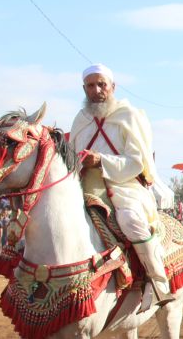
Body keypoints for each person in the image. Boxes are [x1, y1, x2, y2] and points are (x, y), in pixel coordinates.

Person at [70, 63, 175, 309]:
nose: (96, 90)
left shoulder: (128, 115)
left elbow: (137, 161)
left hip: (123, 184)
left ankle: (158, 282)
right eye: (90, 86)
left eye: (101, 84)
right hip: (83, 184)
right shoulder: (80, 119)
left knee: (130, 220)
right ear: (84, 89)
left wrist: (101, 160)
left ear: (113, 87)